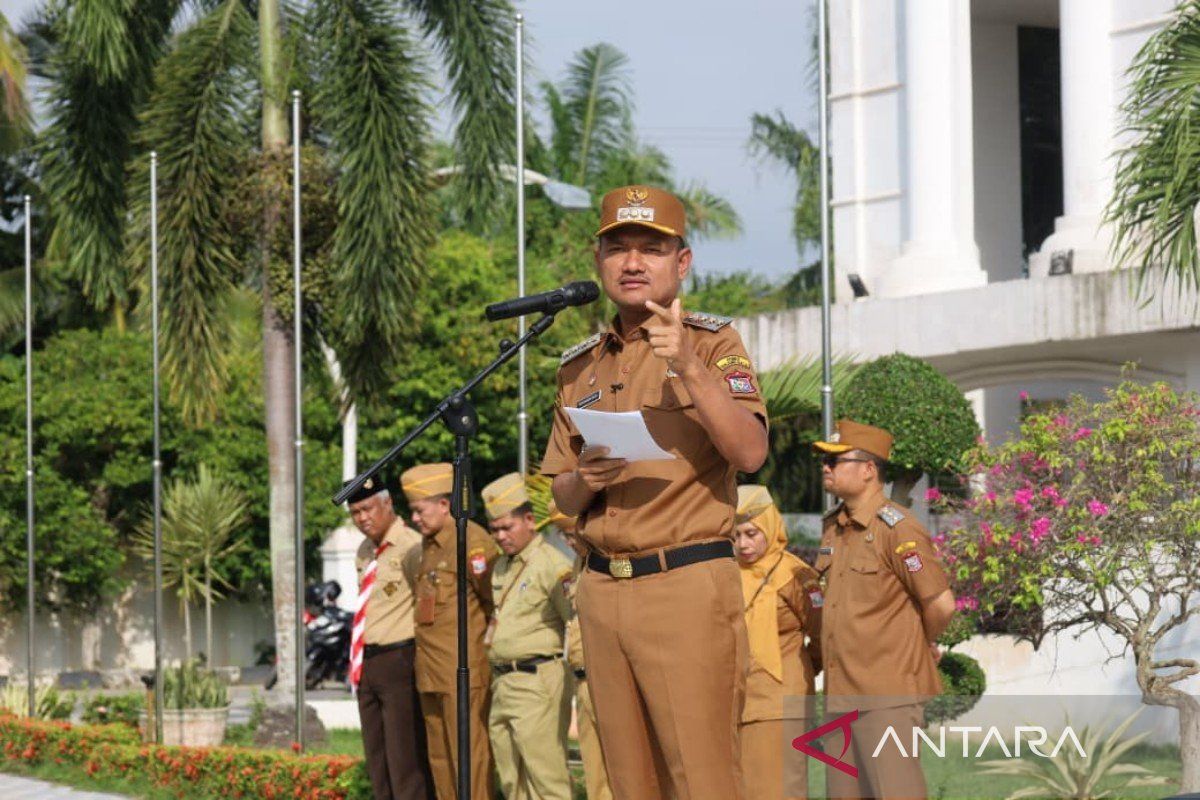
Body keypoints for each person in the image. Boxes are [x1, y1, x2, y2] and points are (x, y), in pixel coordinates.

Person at [540, 184, 769, 800]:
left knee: (701, 777)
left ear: (682, 263)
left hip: (684, 586)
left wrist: (690, 367)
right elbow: (560, 494)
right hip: (601, 590)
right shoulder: (578, 367)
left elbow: (749, 452)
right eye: (618, 249)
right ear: (599, 262)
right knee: (627, 780)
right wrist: (582, 480)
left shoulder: (714, 344)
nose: (633, 263)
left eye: (651, 249)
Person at [812, 420, 956, 800]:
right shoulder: (834, 528)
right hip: (840, 695)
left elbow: (941, 604)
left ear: (868, 470)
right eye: (824, 462)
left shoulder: (899, 529)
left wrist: (917, 641)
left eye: (836, 461)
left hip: (886, 696)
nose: (825, 468)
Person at [401, 463, 500, 800]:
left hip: (462, 671)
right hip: (430, 672)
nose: (415, 518)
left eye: (419, 509)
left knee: (468, 756)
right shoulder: (425, 549)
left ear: (444, 504)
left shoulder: (471, 541)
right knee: (440, 758)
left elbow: (492, 601)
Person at [480, 473, 575, 800]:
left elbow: (574, 622)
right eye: (495, 530)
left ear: (530, 521)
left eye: (507, 527)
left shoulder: (553, 564)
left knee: (546, 777)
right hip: (503, 681)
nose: (501, 536)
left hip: (538, 679)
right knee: (511, 778)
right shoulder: (502, 567)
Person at [346, 476, 435, 800]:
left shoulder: (411, 545)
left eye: (367, 508)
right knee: (377, 758)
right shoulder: (365, 550)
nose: (362, 518)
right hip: (367, 663)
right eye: (355, 513)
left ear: (387, 503)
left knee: (404, 758)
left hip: (400, 658)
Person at [734, 484, 822, 800]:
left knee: (782, 789)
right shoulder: (725, 574)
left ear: (770, 527)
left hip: (782, 702)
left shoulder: (797, 575)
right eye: (735, 536)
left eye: (751, 533)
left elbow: (822, 634)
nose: (743, 544)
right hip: (736, 702)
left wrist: (802, 669)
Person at [547, 500, 613, 800]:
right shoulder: (579, 564)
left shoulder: (612, 561)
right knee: (595, 775)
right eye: (565, 537)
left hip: (611, 681)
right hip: (584, 682)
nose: (570, 543)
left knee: (624, 774)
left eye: (573, 535)